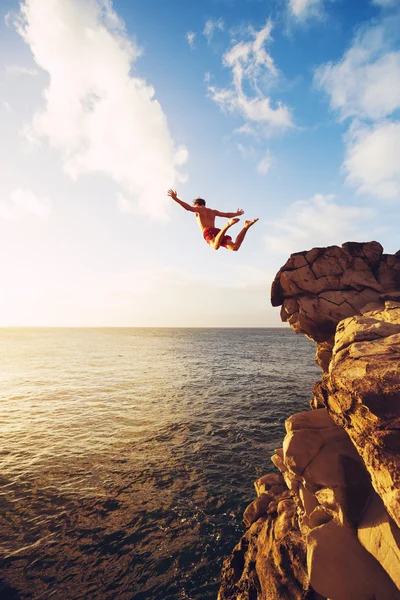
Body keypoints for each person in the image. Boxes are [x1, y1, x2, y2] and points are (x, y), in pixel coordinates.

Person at [167, 189, 258, 251]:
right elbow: (226, 215)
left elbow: (188, 208)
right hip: (217, 232)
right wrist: (236, 214)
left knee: (215, 246)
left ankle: (227, 225)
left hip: (208, 232)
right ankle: (246, 226)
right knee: (235, 247)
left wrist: (175, 198)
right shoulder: (212, 211)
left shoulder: (198, 209)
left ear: (197, 204)